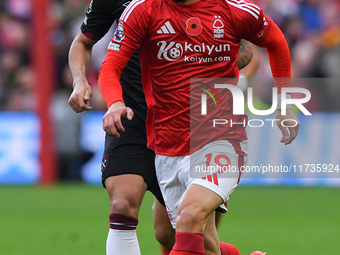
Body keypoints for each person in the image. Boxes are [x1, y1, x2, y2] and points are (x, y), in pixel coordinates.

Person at [98, 0, 300, 254]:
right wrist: (115, 102)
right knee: (180, 239)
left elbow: (276, 42)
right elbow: (110, 65)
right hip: (167, 147)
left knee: (190, 215)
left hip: (221, 138)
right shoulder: (143, 11)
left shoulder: (234, 10)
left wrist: (283, 104)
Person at [68, 0, 254, 254]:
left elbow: (245, 50)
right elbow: (82, 42)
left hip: (184, 118)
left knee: (171, 235)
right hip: (129, 113)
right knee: (122, 204)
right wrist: (80, 82)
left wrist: (198, 55)